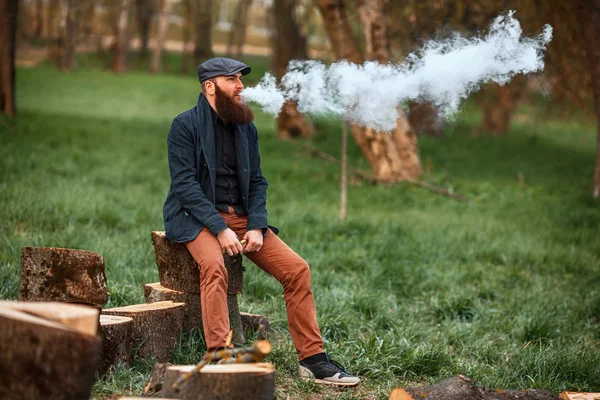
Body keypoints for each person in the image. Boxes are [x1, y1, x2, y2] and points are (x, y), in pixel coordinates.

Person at [162, 57, 360, 387]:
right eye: (232, 80)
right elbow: (185, 186)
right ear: (210, 87)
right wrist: (219, 228)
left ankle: (312, 360)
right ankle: (220, 356)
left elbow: (256, 181)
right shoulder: (184, 125)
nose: (241, 86)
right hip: (195, 217)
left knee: (297, 269)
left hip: (241, 219)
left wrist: (255, 224)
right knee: (214, 267)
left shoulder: (246, 128)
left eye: (241, 79)